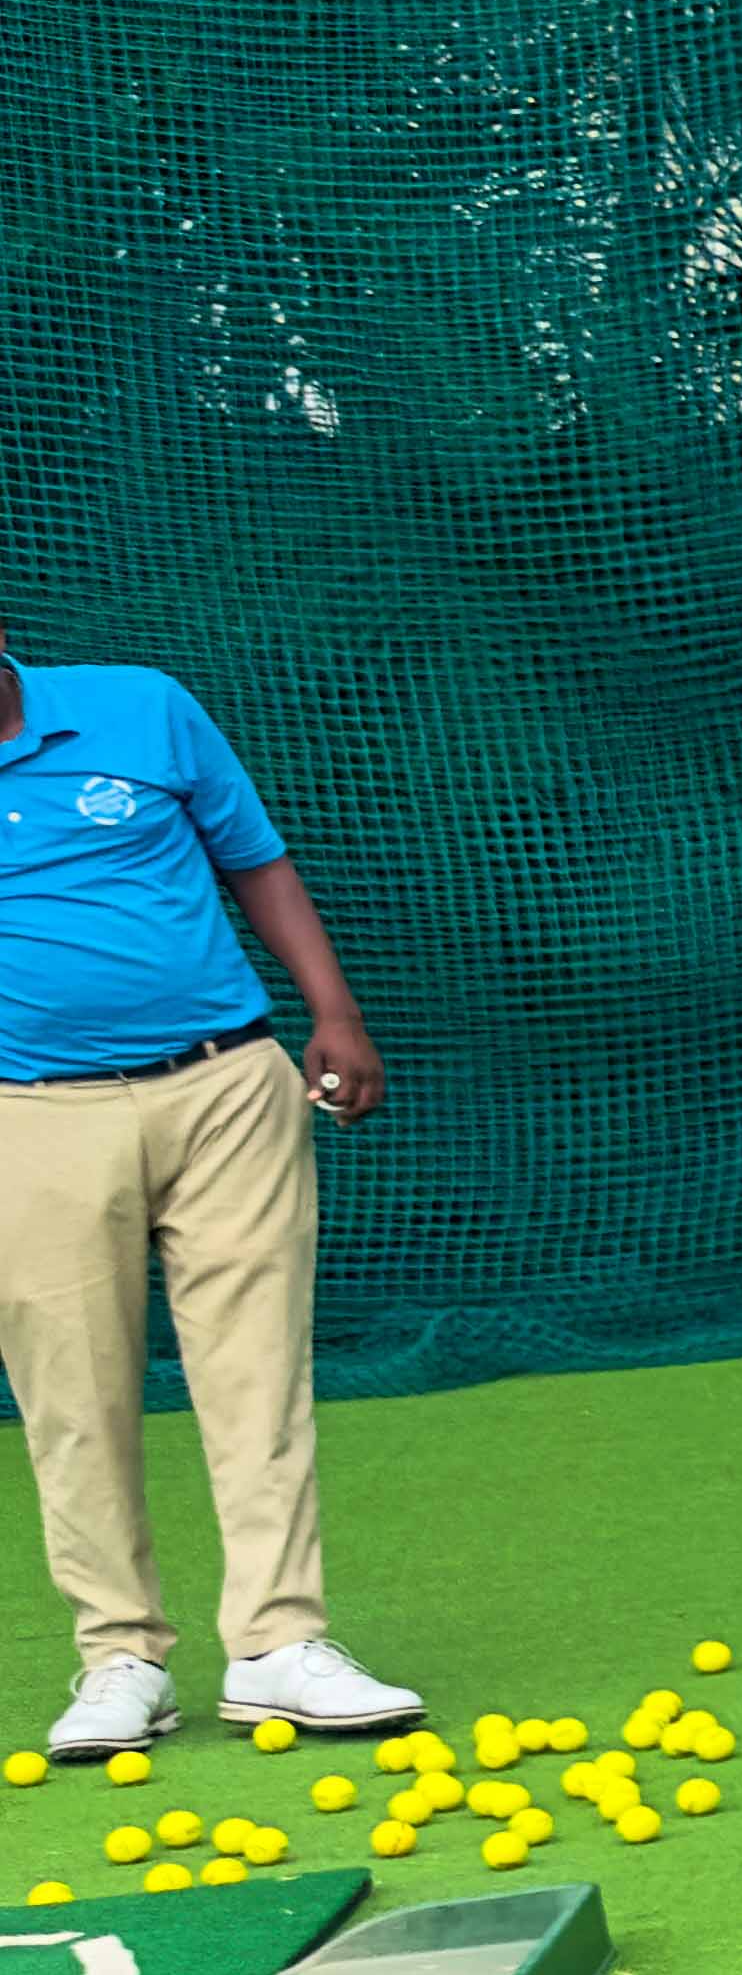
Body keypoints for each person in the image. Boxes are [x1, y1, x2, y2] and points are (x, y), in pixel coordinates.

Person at [0, 656, 419, 1751]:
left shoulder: (143, 707)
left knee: (257, 1372)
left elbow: (257, 863)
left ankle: (279, 1645)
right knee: (72, 1396)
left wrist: (335, 1013)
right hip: (30, 1115)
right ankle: (121, 1659)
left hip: (228, 1084)